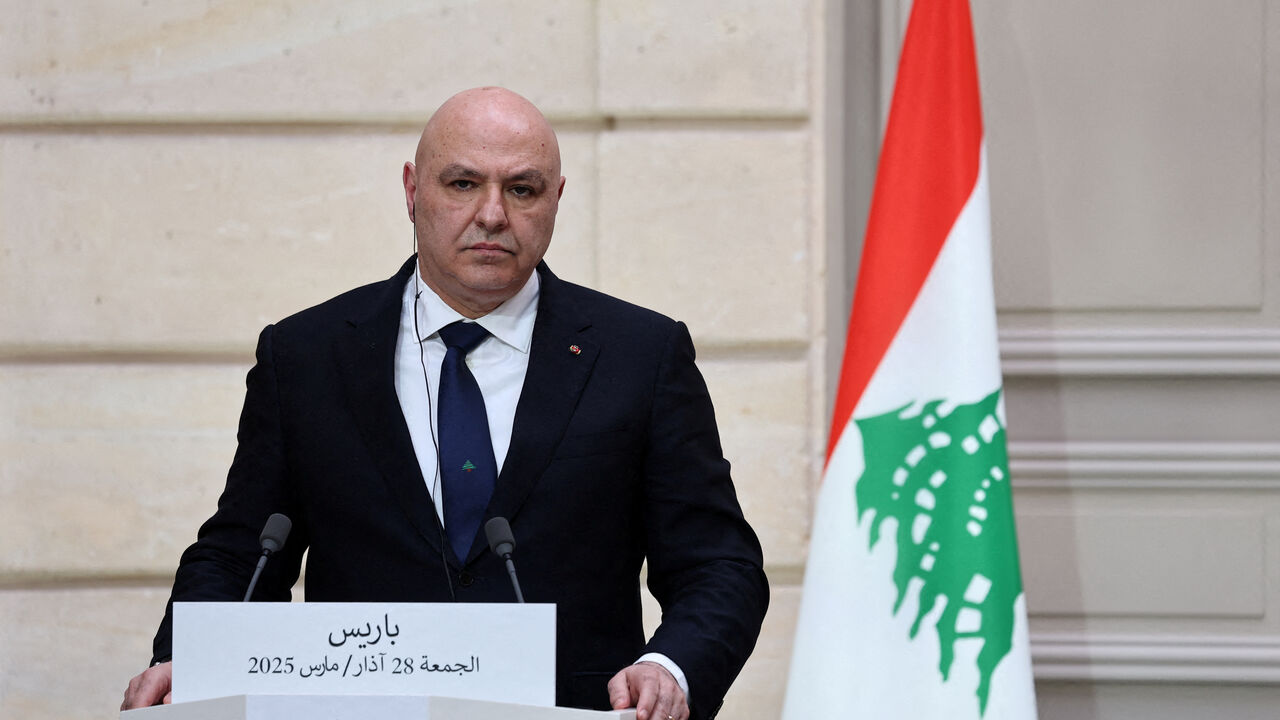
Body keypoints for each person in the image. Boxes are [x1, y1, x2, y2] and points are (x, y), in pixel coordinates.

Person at [121, 87, 768, 720]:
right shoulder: (308, 356)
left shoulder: (640, 355)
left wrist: (671, 668)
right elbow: (243, 552)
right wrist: (190, 659)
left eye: (523, 189)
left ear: (557, 199)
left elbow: (718, 563)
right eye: (463, 184)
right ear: (412, 191)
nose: (492, 214)